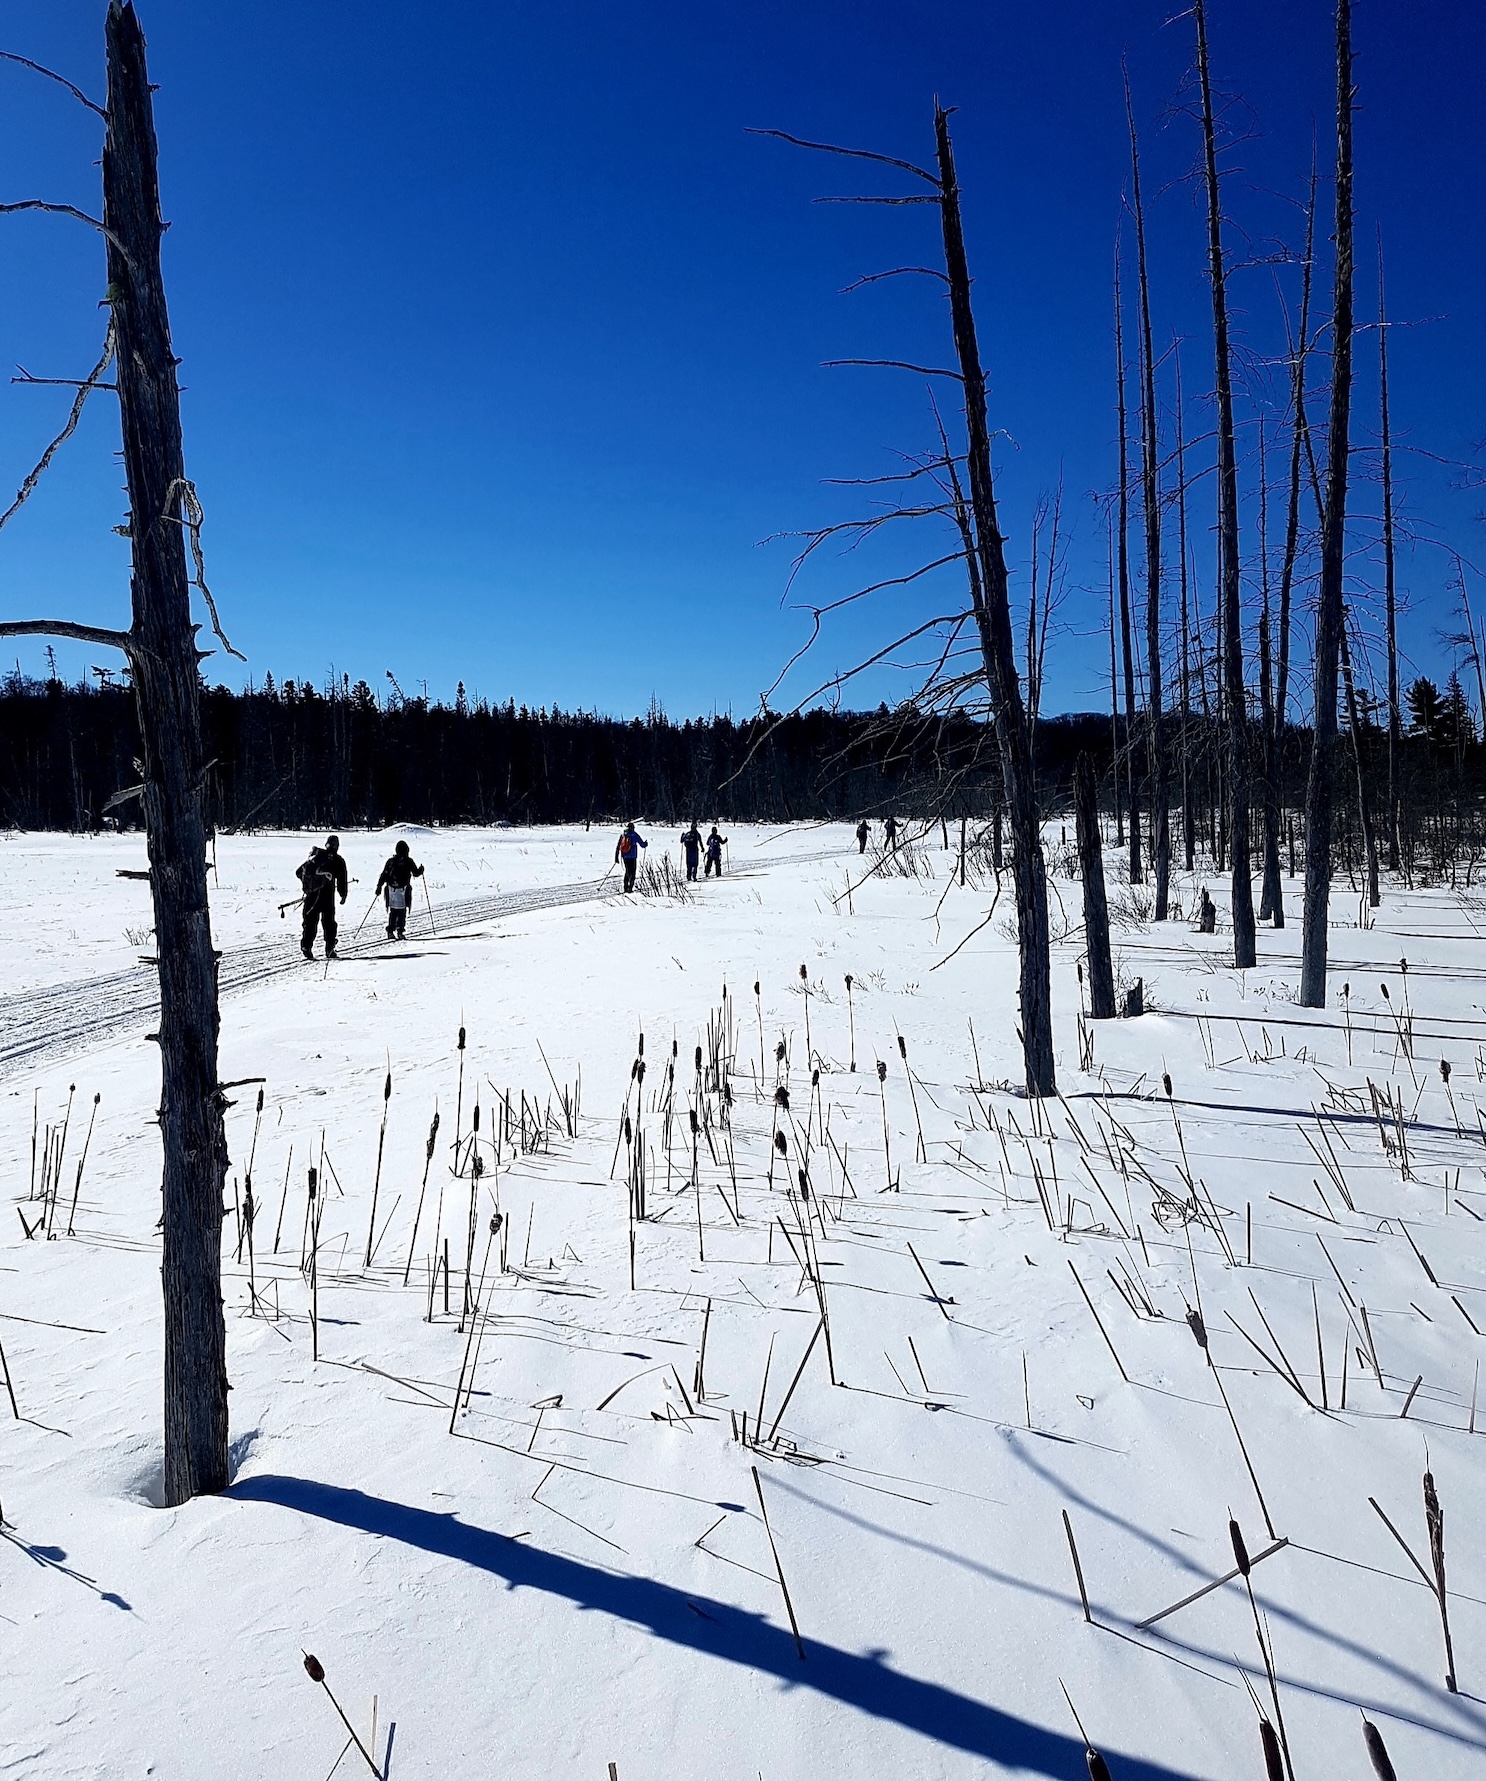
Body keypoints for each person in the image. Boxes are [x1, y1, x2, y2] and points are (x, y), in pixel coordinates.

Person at [297, 835, 348, 960]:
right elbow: (342, 879)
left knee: (309, 921)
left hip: (311, 896)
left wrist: (310, 884)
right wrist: (343, 894)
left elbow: (299, 872)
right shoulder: (338, 861)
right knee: (329, 923)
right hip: (327, 896)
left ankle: (306, 946)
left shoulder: (316, 857)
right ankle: (330, 948)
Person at [375, 838, 425, 939]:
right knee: (402, 911)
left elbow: (384, 875)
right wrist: (421, 870)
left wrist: (379, 887)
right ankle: (400, 931)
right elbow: (415, 873)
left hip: (390, 889)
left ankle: (390, 930)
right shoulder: (408, 861)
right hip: (403, 889)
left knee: (393, 910)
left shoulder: (390, 861)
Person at [615, 820, 647, 892]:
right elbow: (642, 844)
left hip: (624, 856)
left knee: (627, 871)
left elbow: (618, 846)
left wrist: (616, 857)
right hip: (632, 856)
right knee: (633, 872)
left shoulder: (623, 835)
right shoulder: (634, 835)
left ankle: (625, 887)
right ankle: (630, 888)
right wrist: (645, 844)